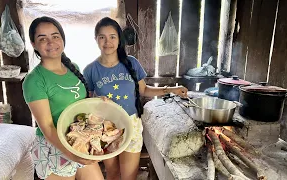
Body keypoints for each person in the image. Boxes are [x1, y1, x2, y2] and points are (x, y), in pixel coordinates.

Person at [83, 17, 188, 180]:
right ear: (95, 39)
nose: (107, 42)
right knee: (112, 173)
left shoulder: (131, 63)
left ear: (119, 39)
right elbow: (86, 102)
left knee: (129, 176)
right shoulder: (90, 70)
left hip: (131, 124)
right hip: (106, 127)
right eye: (102, 37)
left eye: (112, 36)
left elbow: (144, 90)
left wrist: (172, 89)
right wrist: (98, 102)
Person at [22, 16, 104, 180]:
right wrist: (70, 153)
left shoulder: (73, 67)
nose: (50, 42)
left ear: (62, 39)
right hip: (55, 146)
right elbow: (47, 127)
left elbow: (79, 106)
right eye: (42, 38)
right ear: (33, 44)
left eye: (55, 36)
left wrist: (97, 102)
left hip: (79, 138)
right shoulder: (34, 81)